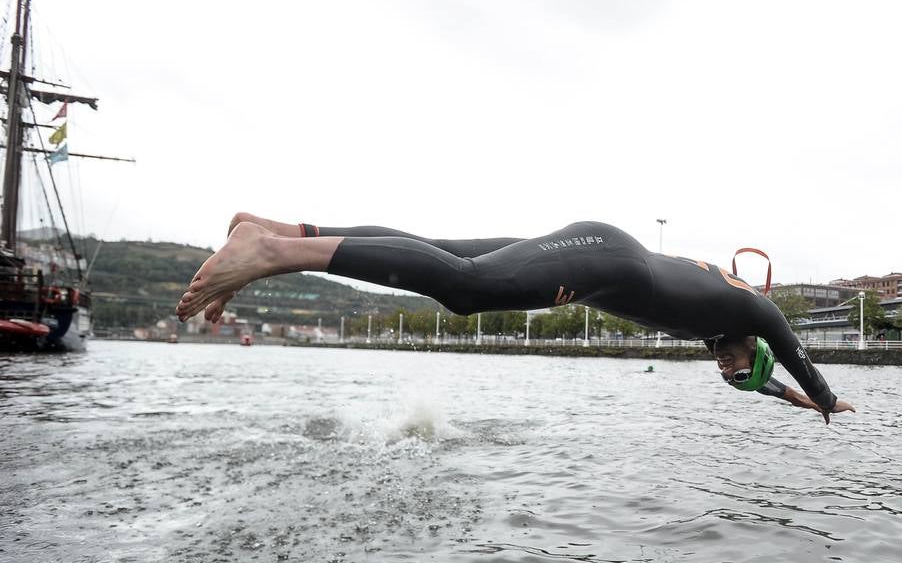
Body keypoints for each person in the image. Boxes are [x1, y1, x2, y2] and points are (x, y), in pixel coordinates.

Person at [178, 213, 855, 423]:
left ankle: (279, 230)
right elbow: (791, 352)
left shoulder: (721, 329)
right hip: (605, 259)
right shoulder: (752, 311)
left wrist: (792, 402)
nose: (724, 368)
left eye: (724, 372)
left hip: (601, 256)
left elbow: (768, 379)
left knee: (442, 256)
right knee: (467, 291)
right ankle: (273, 253)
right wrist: (825, 400)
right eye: (734, 367)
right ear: (754, 348)